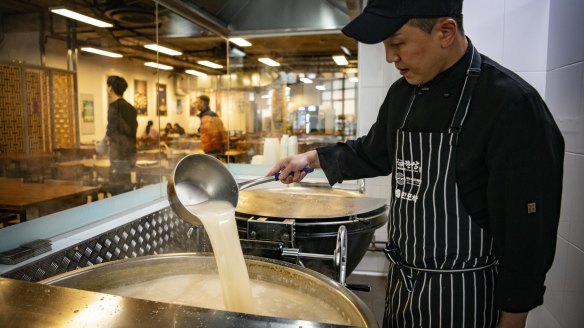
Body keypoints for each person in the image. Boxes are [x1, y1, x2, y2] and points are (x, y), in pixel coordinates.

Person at [268, 0, 564, 327]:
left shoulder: (510, 105)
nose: (389, 56)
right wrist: (310, 158)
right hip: (404, 287)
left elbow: (528, 235)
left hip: (463, 296)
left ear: (446, 32)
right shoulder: (403, 94)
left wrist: (513, 319)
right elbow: (373, 152)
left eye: (397, 43)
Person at [103, 75, 138, 195]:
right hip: (129, 154)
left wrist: (101, 143)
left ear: (110, 88)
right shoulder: (131, 108)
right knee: (126, 186)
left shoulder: (114, 107)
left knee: (117, 188)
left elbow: (111, 130)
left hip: (118, 154)